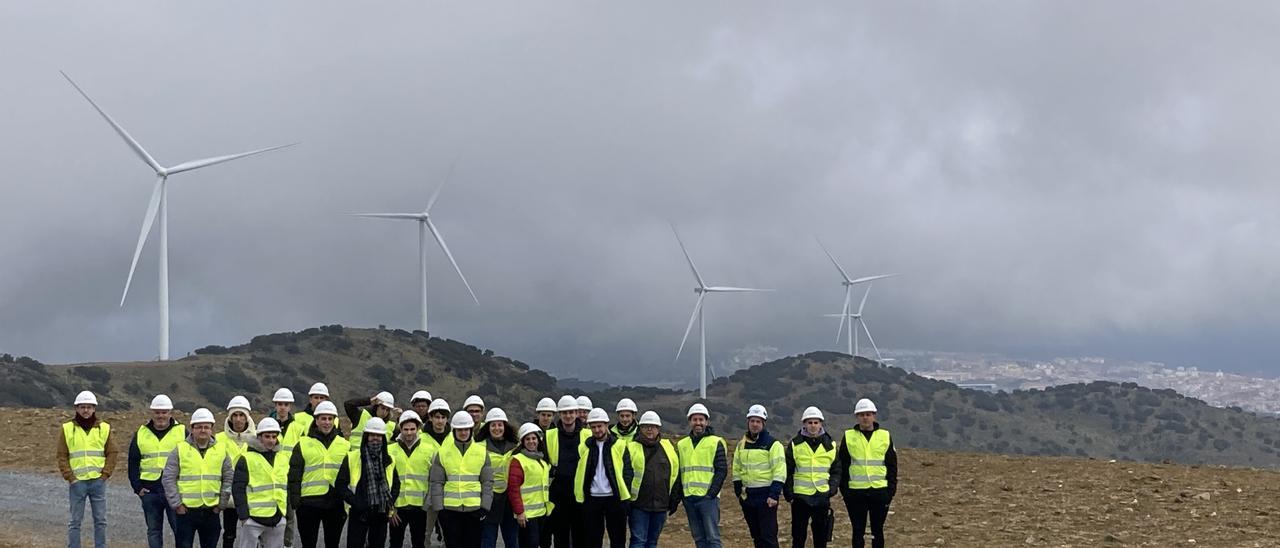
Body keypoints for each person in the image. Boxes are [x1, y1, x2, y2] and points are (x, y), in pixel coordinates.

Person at [162, 407, 233, 548]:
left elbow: (228, 478)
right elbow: (168, 478)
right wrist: (177, 505)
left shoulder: (221, 450)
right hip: (186, 512)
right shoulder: (180, 449)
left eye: (206, 427)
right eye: (199, 427)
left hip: (211, 510)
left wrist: (221, 505)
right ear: (192, 429)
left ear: (211, 429)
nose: (203, 430)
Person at [833, 399, 897, 548]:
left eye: (868, 414)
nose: (865, 418)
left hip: (880, 491)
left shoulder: (885, 436)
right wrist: (846, 492)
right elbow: (842, 465)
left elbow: (892, 466)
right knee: (858, 531)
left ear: (874, 415)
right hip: (856, 493)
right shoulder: (849, 436)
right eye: (861, 415)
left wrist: (890, 491)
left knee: (877, 531)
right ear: (857, 417)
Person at [59, 390, 118, 548]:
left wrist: (104, 475)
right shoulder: (67, 429)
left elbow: (112, 452)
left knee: (100, 520)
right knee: (75, 521)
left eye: (89, 407)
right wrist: (71, 478)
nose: (86, 410)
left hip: (97, 481)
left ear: (94, 409)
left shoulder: (104, 428)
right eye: (82, 407)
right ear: (76, 408)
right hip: (77, 483)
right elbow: (62, 455)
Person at [428, 411, 494, 548]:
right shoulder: (443, 453)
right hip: (450, 511)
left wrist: (485, 508)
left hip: (475, 510)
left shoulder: (482, 452)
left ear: (471, 430)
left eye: (466, 429)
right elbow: (436, 483)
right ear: (454, 431)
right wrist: (440, 510)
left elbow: (487, 483)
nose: (463, 433)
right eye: (460, 430)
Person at [288, 400, 350, 548]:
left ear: (335, 420)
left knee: (332, 544)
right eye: (323, 418)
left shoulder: (345, 445)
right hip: (309, 503)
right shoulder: (302, 444)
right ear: (316, 420)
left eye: (330, 419)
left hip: (335, 503)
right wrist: (296, 502)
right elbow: (294, 475)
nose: (327, 422)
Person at [130, 394, 186, 548]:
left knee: (179, 530)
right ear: (152, 413)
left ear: (170, 413)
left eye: (164, 412)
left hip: (174, 489)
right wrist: (138, 488)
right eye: (157, 412)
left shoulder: (182, 432)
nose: (161, 416)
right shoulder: (141, 433)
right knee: (154, 531)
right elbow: (133, 462)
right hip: (150, 491)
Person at [339, 417, 400, 548]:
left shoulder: (389, 460)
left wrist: (390, 503)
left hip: (381, 513)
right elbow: (340, 485)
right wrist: (356, 502)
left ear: (383, 438)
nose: (375, 438)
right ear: (366, 436)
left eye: (378, 435)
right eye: (372, 435)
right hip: (358, 513)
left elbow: (396, 484)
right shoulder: (352, 457)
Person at [623, 411, 681, 548]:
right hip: (638, 505)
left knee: (652, 542)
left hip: (661, 505)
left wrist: (674, 499)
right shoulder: (631, 448)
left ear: (658, 429)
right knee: (638, 540)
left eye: (653, 426)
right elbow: (625, 476)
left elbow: (676, 474)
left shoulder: (668, 447)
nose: (650, 429)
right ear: (640, 428)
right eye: (646, 426)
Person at [574, 408, 630, 548]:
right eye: (593, 427)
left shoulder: (620, 445)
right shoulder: (584, 447)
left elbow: (628, 472)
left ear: (606, 425)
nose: (597, 430)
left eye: (600, 426)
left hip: (614, 499)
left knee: (618, 540)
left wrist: (625, 493)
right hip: (592, 499)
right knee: (592, 540)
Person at [732, 405, 785, 548]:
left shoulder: (773, 444)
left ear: (764, 423)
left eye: (758, 421)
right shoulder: (741, 445)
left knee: (768, 537)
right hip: (748, 496)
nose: (755, 424)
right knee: (756, 536)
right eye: (752, 421)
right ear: (748, 422)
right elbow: (736, 468)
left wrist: (774, 494)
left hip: (766, 496)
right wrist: (738, 490)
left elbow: (779, 471)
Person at [784, 406, 838, 548]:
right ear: (804, 424)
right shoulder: (795, 444)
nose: (813, 426)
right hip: (800, 497)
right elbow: (787, 470)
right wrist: (789, 494)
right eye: (810, 422)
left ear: (821, 424)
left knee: (820, 538)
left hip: (821, 496)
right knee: (798, 537)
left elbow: (836, 470)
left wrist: (831, 489)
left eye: (816, 422)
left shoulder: (830, 445)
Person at [232, 417, 289, 548]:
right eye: (267, 436)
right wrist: (244, 517)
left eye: (274, 437)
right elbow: (238, 489)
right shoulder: (246, 458)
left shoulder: (282, 458)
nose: (271, 440)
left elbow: (286, 487)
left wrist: (285, 515)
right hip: (253, 518)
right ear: (259, 437)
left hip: (277, 516)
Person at [676, 403, 727, 548]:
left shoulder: (716, 442)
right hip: (689, 499)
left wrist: (711, 493)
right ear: (690, 421)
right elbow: (679, 472)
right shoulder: (682, 445)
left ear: (706, 421)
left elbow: (721, 470)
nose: (698, 423)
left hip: (708, 499)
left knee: (713, 538)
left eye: (701, 419)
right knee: (699, 538)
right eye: (695, 419)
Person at [545, 395, 589, 547]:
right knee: (560, 536)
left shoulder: (587, 435)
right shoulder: (549, 435)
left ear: (577, 413)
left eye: (571, 412)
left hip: (580, 494)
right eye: (564, 413)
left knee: (580, 535)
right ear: (559, 414)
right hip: (558, 494)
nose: (568, 416)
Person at [389, 410, 436, 548]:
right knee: (395, 543)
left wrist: (428, 504)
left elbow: (433, 480)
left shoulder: (429, 450)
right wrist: (390, 509)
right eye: (405, 429)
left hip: (420, 508)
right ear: (400, 429)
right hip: (398, 508)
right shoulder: (390, 450)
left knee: (418, 542)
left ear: (418, 429)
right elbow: (386, 481)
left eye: (412, 429)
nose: (409, 433)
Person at [216, 396, 255, 547]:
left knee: (252, 534)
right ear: (230, 417)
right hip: (229, 496)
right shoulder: (219, 439)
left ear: (247, 417)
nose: (238, 419)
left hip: (251, 495)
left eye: (242, 415)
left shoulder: (258, 439)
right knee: (229, 534)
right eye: (235, 415)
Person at [478, 408, 520, 548]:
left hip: (510, 499)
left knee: (512, 540)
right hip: (490, 499)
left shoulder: (516, 446)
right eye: (493, 425)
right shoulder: (479, 447)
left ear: (505, 426)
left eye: (500, 424)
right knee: (488, 539)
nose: (497, 428)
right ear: (488, 427)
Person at [506, 423, 551, 548]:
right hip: (527, 515)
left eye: (534, 438)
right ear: (522, 442)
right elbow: (513, 489)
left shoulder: (542, 460)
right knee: (530, 544)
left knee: (543, 543)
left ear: (538, 440)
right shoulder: (518, 460)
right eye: (528, 439)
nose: (531, 442)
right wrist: (519, 512)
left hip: (542, 512)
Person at [270, 388, 305, 547]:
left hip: (290, 478)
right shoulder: (268, 426)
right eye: (279, 404)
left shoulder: (298, 428)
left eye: (285, 404)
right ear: (275, 405)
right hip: (271, 478)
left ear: (290, 406)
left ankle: (287, 544)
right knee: (270, 513)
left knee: (290, 517)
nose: (282, 407)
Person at [422, 398, 453, 545]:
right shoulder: (421, 438)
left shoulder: (454, 438)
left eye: (443, 417)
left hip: (448, 491)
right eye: (437, 417)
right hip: (428, 491)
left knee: (448, 530)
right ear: (430, 417)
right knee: (425, 532)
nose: (440, 421)